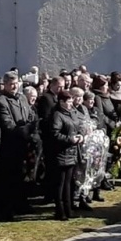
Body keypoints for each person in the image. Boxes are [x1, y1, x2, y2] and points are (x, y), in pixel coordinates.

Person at [0, 72, 37, 218]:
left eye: (16, 83)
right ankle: (8, 209)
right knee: (10, 178)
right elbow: (8, 125)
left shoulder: (22, 97)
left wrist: (31, 128)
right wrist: (25, 129)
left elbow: (30, 115)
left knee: (23, 176)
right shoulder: (1, 101)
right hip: (10, 145)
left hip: (24, 144)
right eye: (11, 84)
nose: (14, 86)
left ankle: (22, 204)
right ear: (4, 84)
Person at [43, 89, 83, 220]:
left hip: (71, 152)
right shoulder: (57, 115)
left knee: (68, 183)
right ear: (61, 102)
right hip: (60, 153)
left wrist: (80, 136)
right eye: (68, 102)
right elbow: (55, 134)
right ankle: (60, 210)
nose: (71, 104)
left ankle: (68, 208)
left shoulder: (72, 113)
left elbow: (78, 127)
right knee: (59, 184)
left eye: (71, 101)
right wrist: (69, 139)